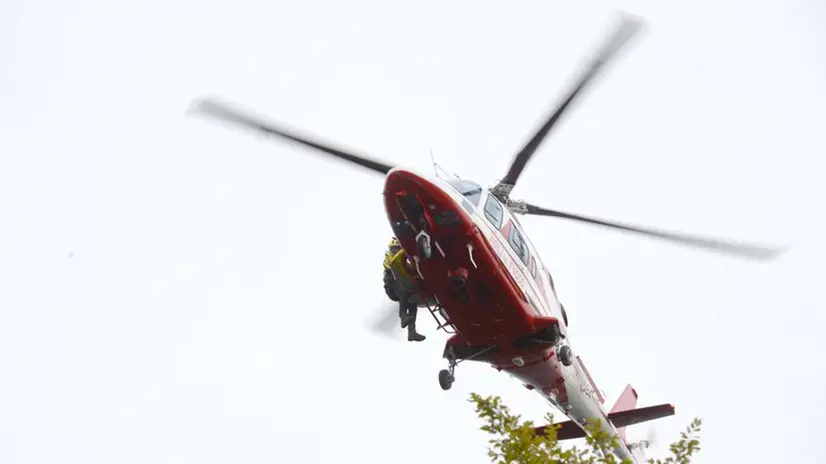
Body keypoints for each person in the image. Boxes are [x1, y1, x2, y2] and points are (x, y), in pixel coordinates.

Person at [383, 238, 426, 342]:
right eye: (394, 249)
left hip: (401, 285)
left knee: (413, 301)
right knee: (404, 291)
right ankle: (403, 317)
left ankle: (412, 332)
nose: (396, 251)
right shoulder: (389, 258)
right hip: (391, 285)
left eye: (398, 249)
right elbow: (393, 264)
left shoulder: (402, 260)